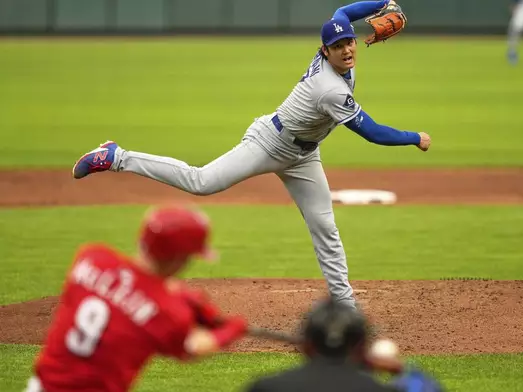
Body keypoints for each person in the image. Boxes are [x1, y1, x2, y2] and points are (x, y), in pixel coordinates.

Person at [71, 0, 431, 311]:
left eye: (349, 41)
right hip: (269, 143)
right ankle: (117, 156)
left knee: (325, 227)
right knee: (203, 182)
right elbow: (372, 132)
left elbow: (342, 11)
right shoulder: (330, 89)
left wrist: (380, 2)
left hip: (304, 156)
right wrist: (414, 137)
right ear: (325, 52)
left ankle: (345, 305)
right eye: (338, 46)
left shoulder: (336, 56)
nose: (347, 49)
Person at [24, 205, 249, 392]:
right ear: (179, 258)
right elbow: (195, 347)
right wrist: (231, 329)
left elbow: (129, 289)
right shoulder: (168, 315)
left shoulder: (90, 259)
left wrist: (175, 294)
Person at [244, 298, 443, 392]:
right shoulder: (379, 390)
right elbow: (427, 388)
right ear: (361, 346)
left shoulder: (267, 387)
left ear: (306, 346)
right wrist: (401, 369)